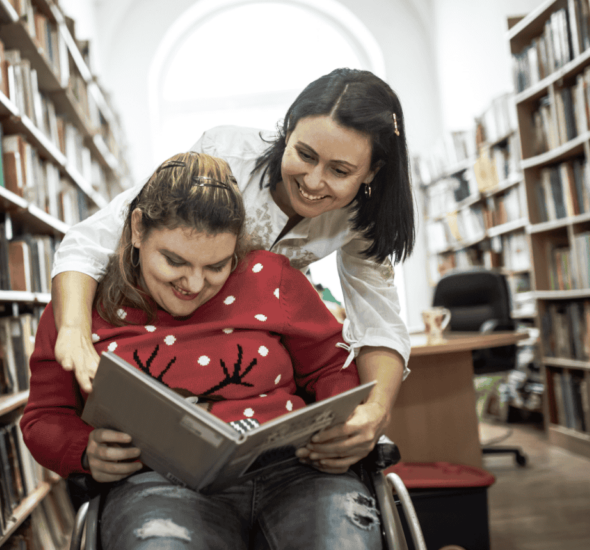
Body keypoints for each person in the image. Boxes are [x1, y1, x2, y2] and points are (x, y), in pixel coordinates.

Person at [51, 68, 415, 472]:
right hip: (184, 335)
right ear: (287, 131)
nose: (313, 181)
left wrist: (377, 411)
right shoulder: (224, 154)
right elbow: (91, 241)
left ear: (372, 172)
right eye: (305, 155)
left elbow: (379, 318)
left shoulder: (365, 214)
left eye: (340, 171)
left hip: (265, 345)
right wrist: (73, 333)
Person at [21, 152, 380, 549]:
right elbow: (44, 416)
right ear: (137, 229)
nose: (193, 284)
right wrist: (85, 451)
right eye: (174, 261)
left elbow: (333, 366)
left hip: (296, 472)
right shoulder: (80, 307)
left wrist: (342, 425)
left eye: (217, 266)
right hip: (157, 485)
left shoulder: (271, 278)